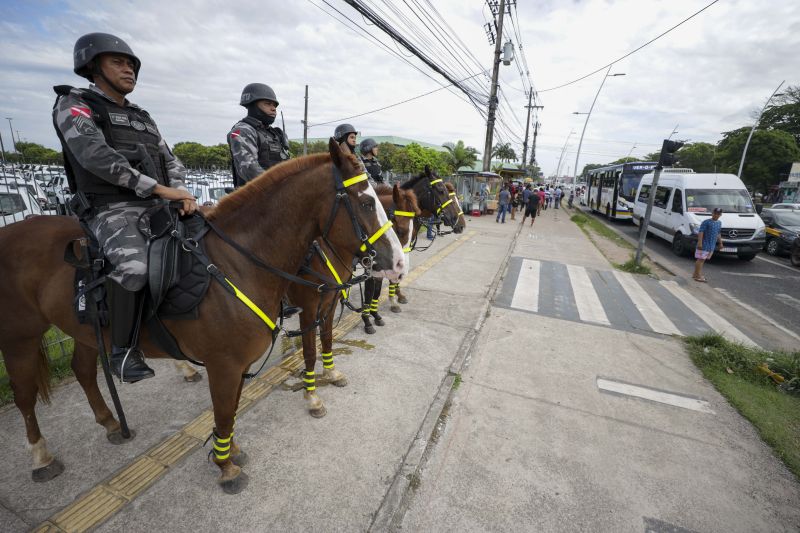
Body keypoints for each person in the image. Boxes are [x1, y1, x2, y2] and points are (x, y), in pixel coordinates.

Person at [53, 33, 197, 382]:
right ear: (92, 65)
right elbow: (97, 157)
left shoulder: (142, 116)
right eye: (118, 62)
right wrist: (160, 189)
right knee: (136, 267)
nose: (128, 69)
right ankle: (124, 351)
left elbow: (170, 159)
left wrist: (181, 192)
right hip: (111, 207)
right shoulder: (75, 104)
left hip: (158, 203)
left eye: (131, 64)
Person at [227, 83, 290, 188]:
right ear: (252, 105)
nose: (273, 108)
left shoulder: (274, 134)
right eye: (267, 103)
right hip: (253, 198)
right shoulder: (242, 131)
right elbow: (249, 169)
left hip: (277, 196)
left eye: (274, 105)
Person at [693, 207, 723, 282]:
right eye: (715, 213)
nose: (716, 215)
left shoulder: (719, 223)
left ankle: (695, 274)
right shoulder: (706, 222)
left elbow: (718, 233)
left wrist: (720, 243)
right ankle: (698, 276)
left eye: (718, 214)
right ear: (712, 213)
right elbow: (701, 232)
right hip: (704, 244)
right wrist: (700, 243)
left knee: (702, 259)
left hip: (711, 245)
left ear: (720, 215)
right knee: (701, 259)